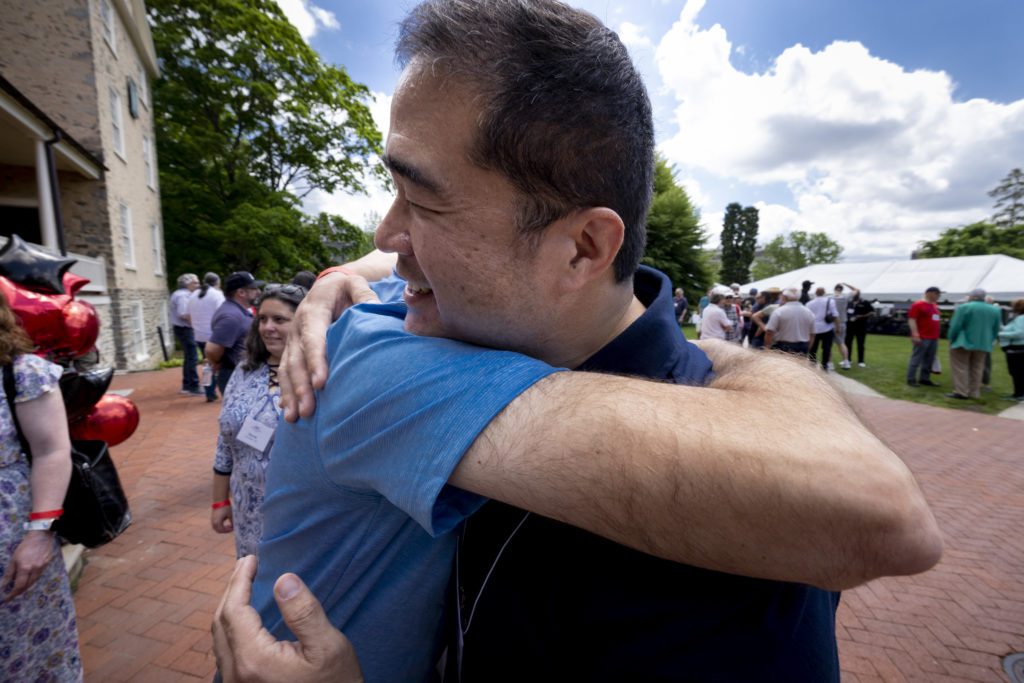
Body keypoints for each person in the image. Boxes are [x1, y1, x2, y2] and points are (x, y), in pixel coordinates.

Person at [213, 1, 942, 679]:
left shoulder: (728, 526)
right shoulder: (481, 336)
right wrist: (350, 271)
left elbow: (886, 514)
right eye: (394, 188)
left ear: (583, 249)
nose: (385, 234)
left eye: (423, 199)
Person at [0, 292, 82, 681]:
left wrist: (38, 535)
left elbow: (52, 451)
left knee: (27, 656)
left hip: (13, 550)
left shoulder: (21, 373)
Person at [211, 284, 307, 558]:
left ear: (303, 322)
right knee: (252, 583)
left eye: (279, 319)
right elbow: (224, 440)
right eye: (262, 319)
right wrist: (219, 501)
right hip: (247, 511)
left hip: (297, 512)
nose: (267, 327)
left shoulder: (320, 375)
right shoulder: (244, 371)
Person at [206, 272, 264, 396]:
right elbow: (211, 350)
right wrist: (217, 362)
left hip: (239, 374)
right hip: (234, 375)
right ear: (241, 292)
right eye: (254, 289)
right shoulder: (231, 317)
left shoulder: (236, 311)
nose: (258, 292)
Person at [945, 288, 1002, 400]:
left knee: (961, 367)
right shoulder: (995, 310)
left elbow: (956, 326)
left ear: (973, 296)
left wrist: (951, 338)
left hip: (963, 342)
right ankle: (974, 392)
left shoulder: (964, 307)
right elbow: (996, 329)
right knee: (977, 367)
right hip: (983, 343)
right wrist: (990, 340)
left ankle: (961, 392)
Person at [189, 272, 225, 402]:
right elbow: (222, 314)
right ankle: (222, 391)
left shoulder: (193, 295)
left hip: (199, 335)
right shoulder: (217, 295)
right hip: (214, 335)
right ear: (217, 282)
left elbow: (189, 316)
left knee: (208, 365)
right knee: (220, 365)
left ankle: (209, 391)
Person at [170, 273, 202, 395]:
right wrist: (195, 326)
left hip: (183, 329)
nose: (198, 285)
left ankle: (187, 385)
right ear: (187, 284)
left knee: (189, 357)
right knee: (192, 357)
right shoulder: (183, 296)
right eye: (195, 283)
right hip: (185, 329)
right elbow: (183, 314)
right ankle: (192, 386)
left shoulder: (181, 294)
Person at [906, 286, 943, 387]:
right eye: (937, 294)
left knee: (929, 359)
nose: (938, 296)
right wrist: (915, 334)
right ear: (929, 293)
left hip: (933, 337)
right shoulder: (918, 305)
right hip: (923, 336)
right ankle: (911, 378)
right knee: (917, 358)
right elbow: (912, 319)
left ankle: (924, 378)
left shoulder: (934, 305)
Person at [765, 287, 816, 355]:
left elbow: (769, 332)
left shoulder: (779, 311)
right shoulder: (809, 312)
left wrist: (767, 350)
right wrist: (807, 348)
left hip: (783, 347)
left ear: (784, 297)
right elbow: (812, 334)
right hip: (802, 347)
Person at [806, 286, 839, 370]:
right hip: (827, 327)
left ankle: (812, 363)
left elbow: (807, 316)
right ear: (824, 293)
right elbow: (835, 315)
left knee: (813, 347)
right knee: (827, 347)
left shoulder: (809, 303)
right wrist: (838, 327)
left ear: (815, 293)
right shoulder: (830, 301)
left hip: (814, 328)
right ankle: (825, 365)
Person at [998, 298, 1024, 401]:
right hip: (1018, 348)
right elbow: (1008, 329)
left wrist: (1000, 334)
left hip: (1018, 348)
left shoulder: (1021, 319)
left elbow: (1019, 333)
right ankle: (1018, 393)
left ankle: (1019, 394)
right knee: (1016, 372)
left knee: (1017, 372)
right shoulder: (1018, 318)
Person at [845, 285, 873, 367]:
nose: (854, 296)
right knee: (848, 343)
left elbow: (872, 312)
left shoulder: (864, 302)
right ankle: (848, 359)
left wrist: (861, 316)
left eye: (856, 294)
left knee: (860, 344)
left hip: (861, 326)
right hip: (850, 326)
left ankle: (861, 361)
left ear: (858, 294)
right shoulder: (849, 303)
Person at [832, 283, 852, 369]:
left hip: (831, 323)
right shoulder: (845, 298)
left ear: (835, 289)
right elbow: (856, 290)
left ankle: (829, 364)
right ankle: (846, 361)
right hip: (842, 322)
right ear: (841, 290)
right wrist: (847, 284)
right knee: (842, 343)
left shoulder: (829, 298)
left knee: (828, 344)